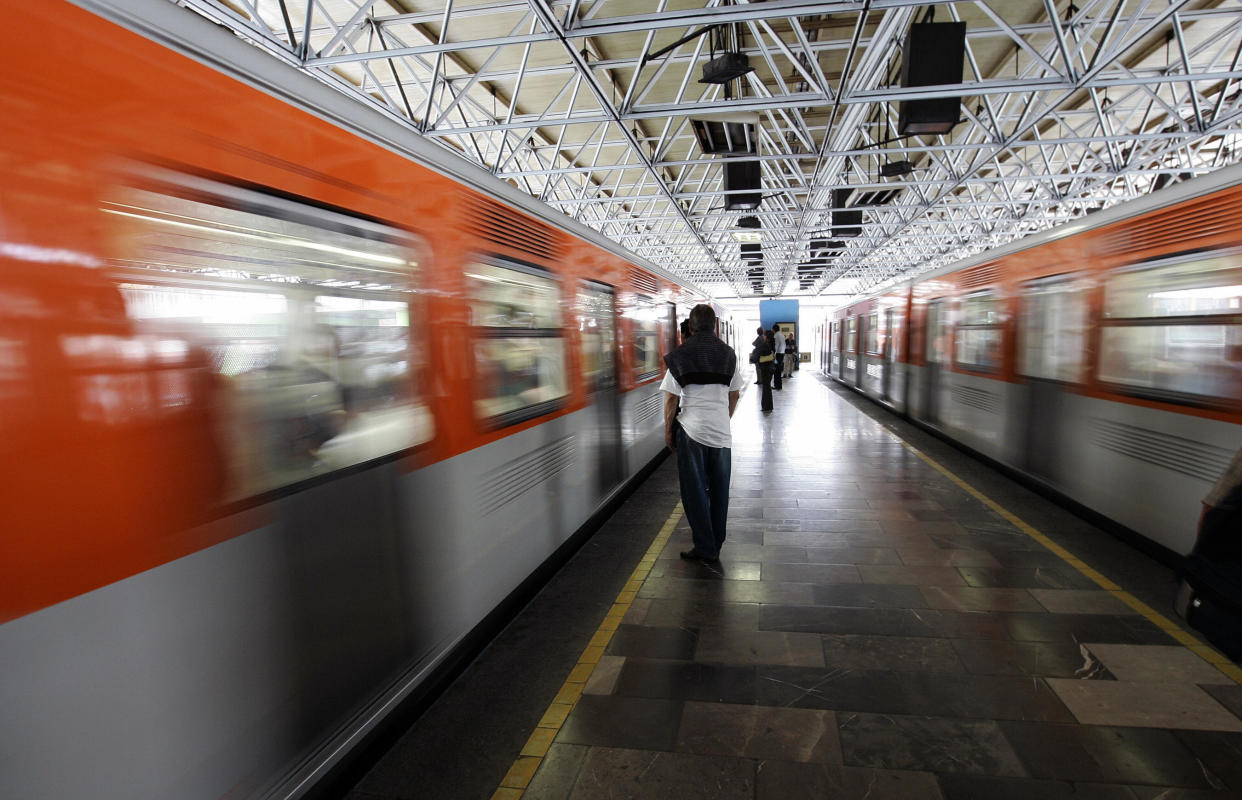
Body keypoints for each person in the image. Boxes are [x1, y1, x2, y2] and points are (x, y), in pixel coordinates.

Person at [662, 304, 744, 563]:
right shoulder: (728, 354)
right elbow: (734, 393)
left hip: (692, 432)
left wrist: (667, 432)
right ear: (715, 326)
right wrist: (724, 417)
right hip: (721, 434)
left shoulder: (680, 355)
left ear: (691, 326)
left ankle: (705, 547)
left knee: (694, 491)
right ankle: (715, 543)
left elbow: (671, 401)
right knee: (720, 490)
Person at [752, 327, 774, 413]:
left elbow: (755, 357)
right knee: (767, 387)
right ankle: (769, 406)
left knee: (766, 388)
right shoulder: (771, 343)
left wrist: (753, 358)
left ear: (766, 336)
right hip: (771, 367)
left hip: (765, 368)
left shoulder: (764, 345)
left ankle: (766, 406)